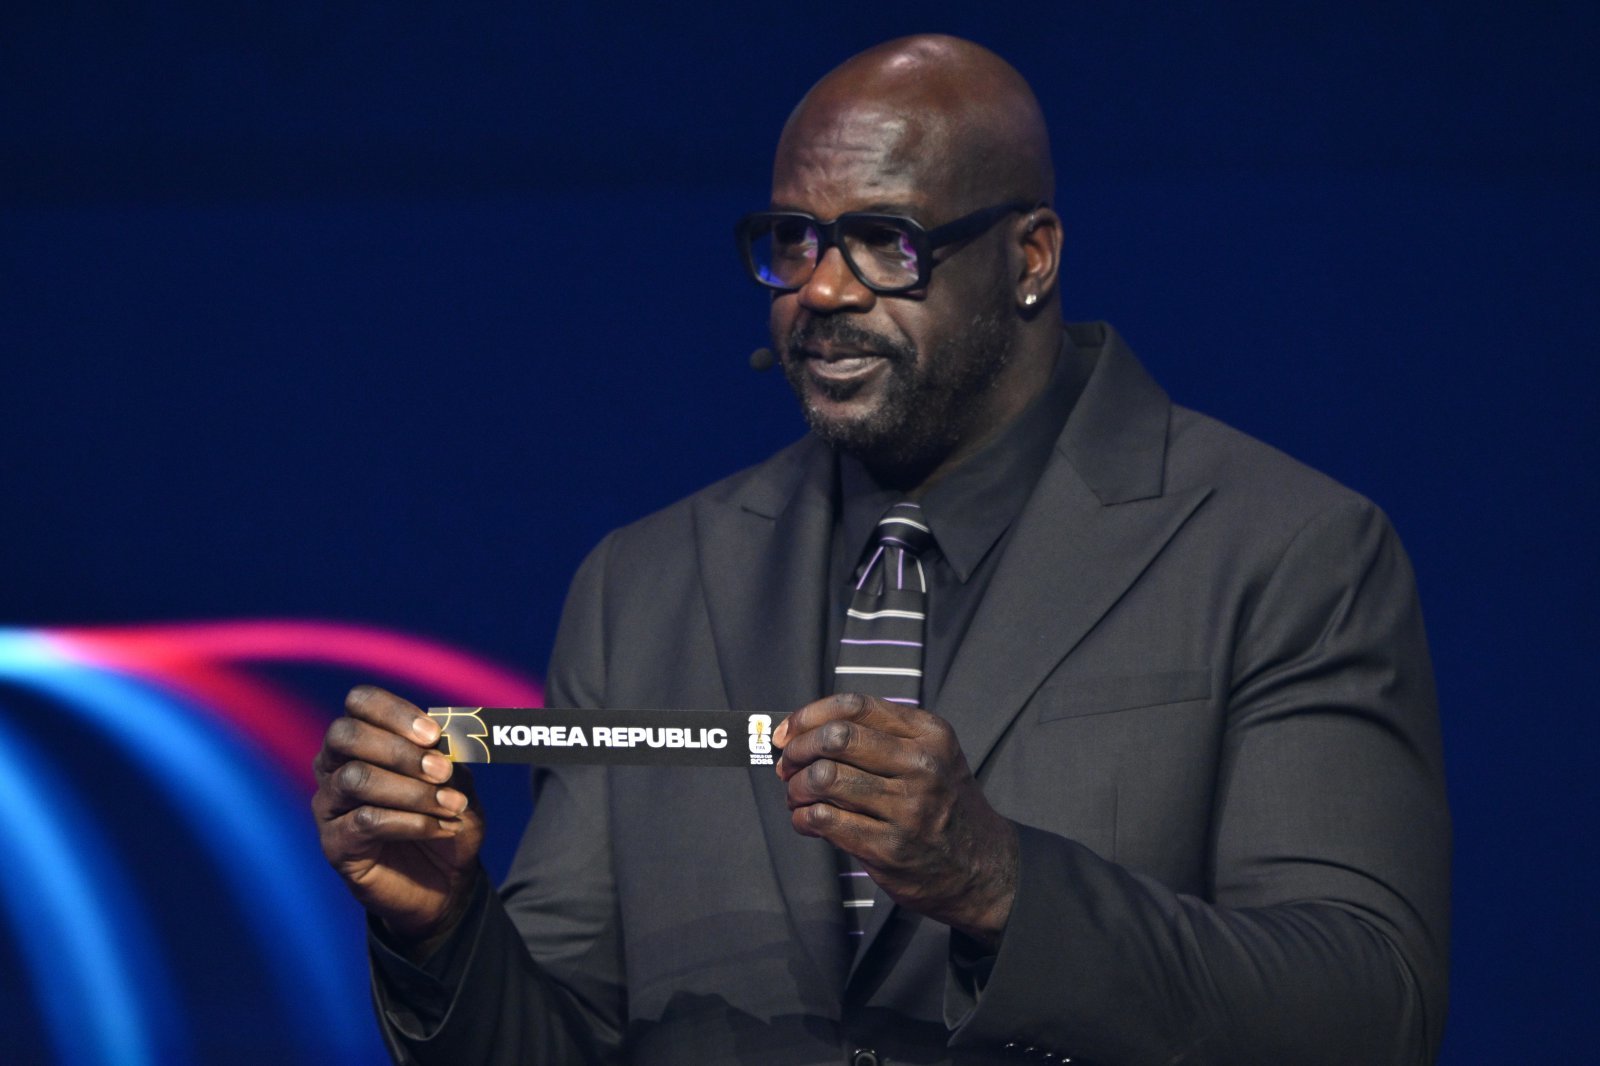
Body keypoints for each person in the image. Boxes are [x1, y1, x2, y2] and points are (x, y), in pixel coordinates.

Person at [312, 34, 1450, 1066]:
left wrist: (1002, 884)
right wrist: (444, 931)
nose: (819, 288)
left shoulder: (1282, 548)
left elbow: (1366, 1008)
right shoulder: (643, 586)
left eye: (883, 242)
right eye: (793, 240)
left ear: (1031, 256)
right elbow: (563, 1040)